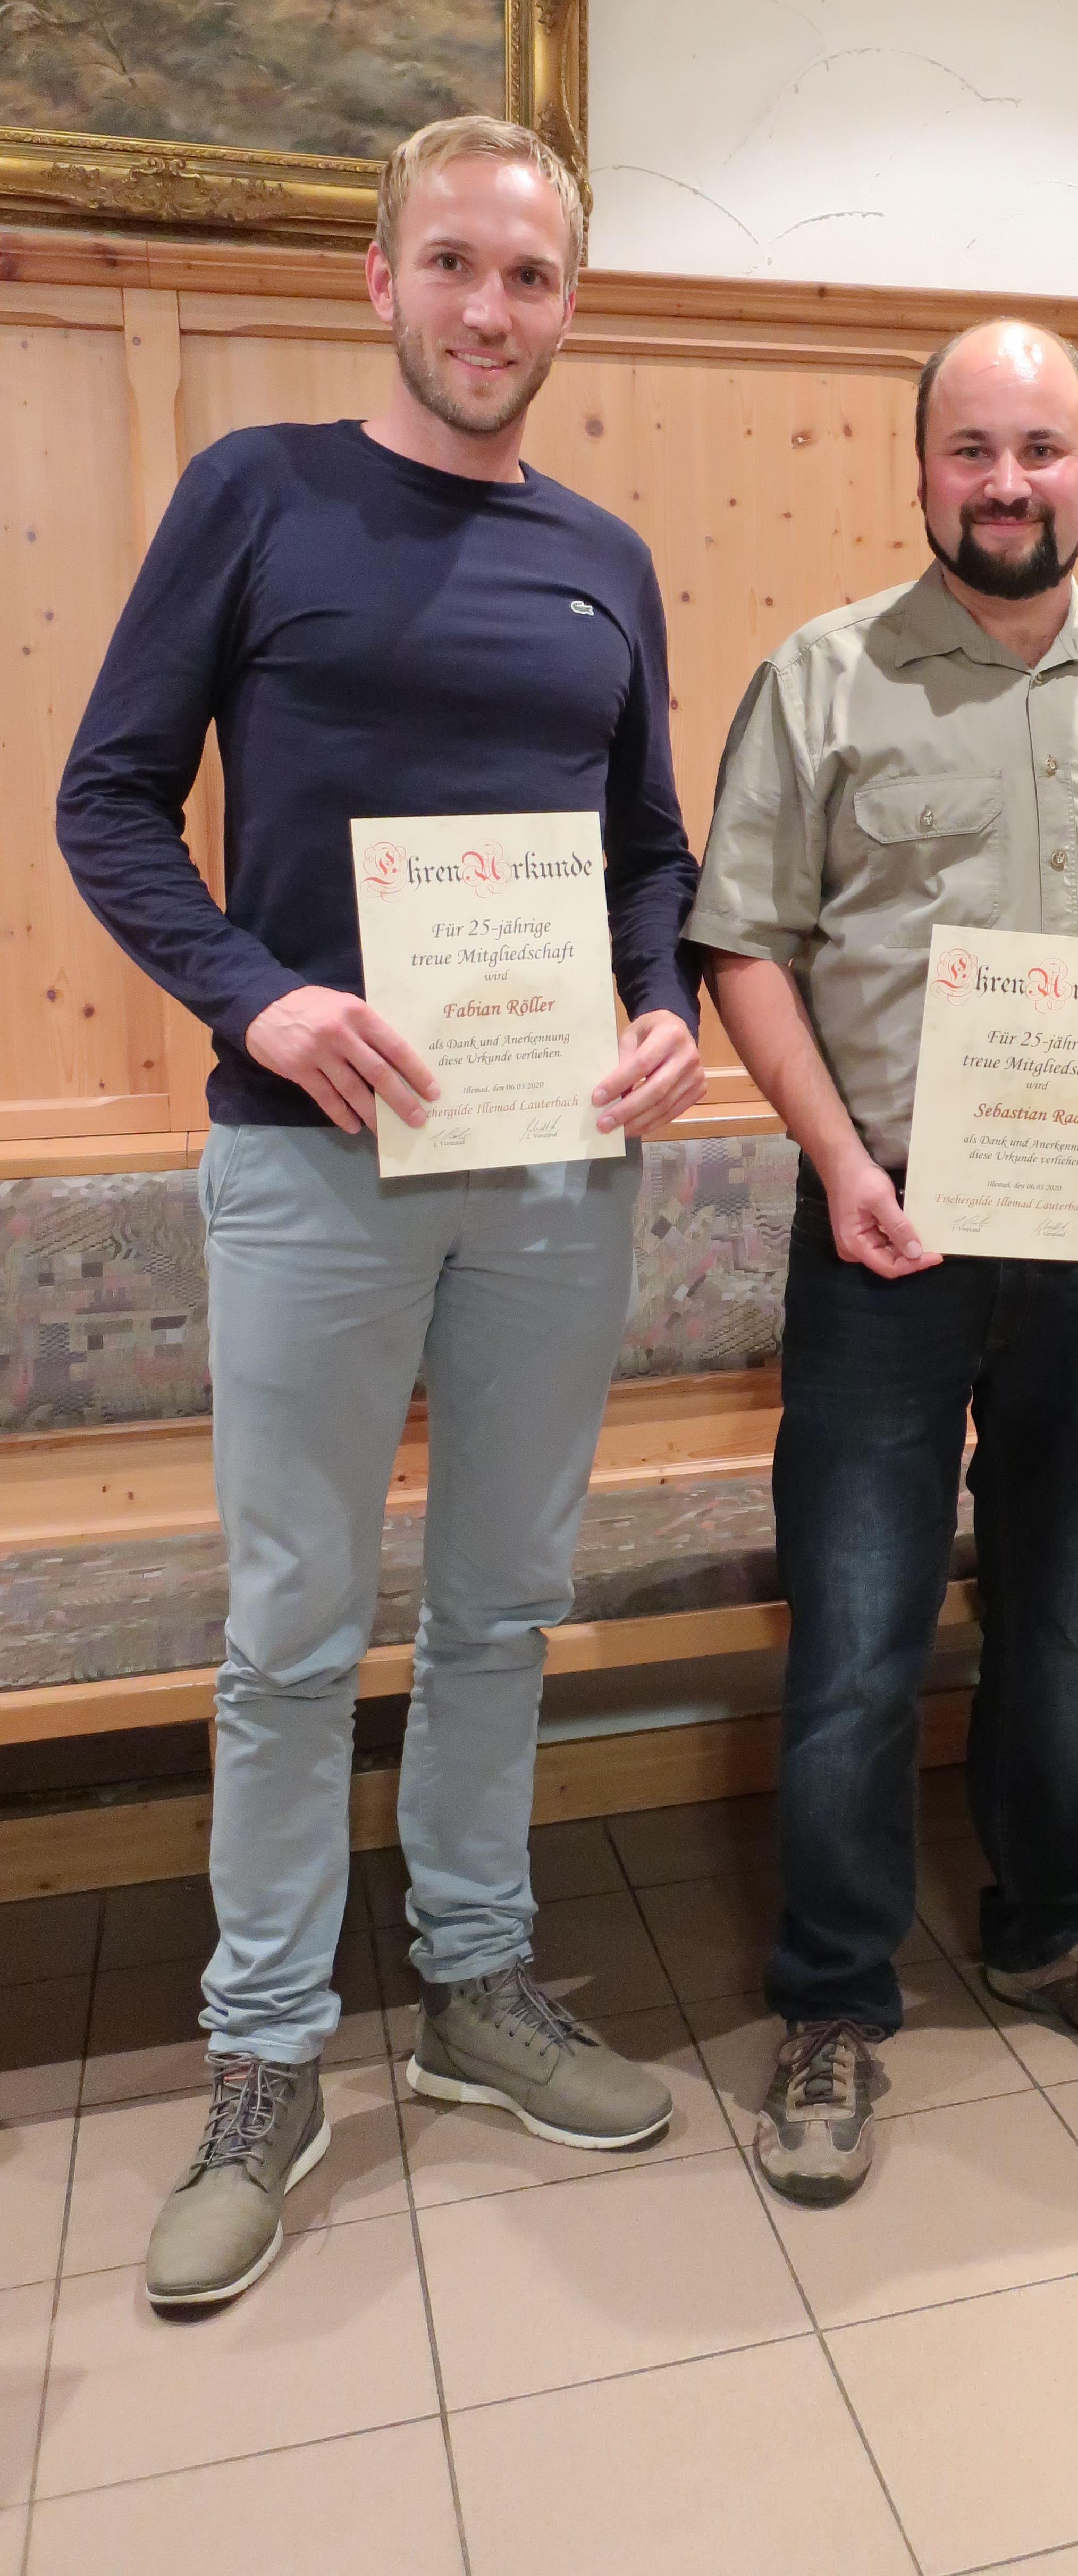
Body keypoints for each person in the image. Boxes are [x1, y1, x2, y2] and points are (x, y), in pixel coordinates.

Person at [57, 115, 706, 2310]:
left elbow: (647, 847)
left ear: (568, 304)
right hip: (308, 1156)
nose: (489, 310)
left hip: (549, 1165)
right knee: (291, 1631)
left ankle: (477, 1988)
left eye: (530, 275)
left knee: (506, 1602)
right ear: (380, 280)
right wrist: (260, 994)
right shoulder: (258, 494)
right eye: (454, 265)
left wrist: (657, 1004)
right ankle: (264, 2056)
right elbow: (108, 800)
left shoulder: (606, 558)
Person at [686, 319, 1078, 2204]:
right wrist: (836, 1162)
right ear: (922, 465)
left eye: (1040, 449)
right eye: (971, 450)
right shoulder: (820, 681)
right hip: (885, 1229)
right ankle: (832, 2000)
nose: (1006, 483)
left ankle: (1049, 1928)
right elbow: (744, 942)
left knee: (1060, 1612)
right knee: (859, 1632)